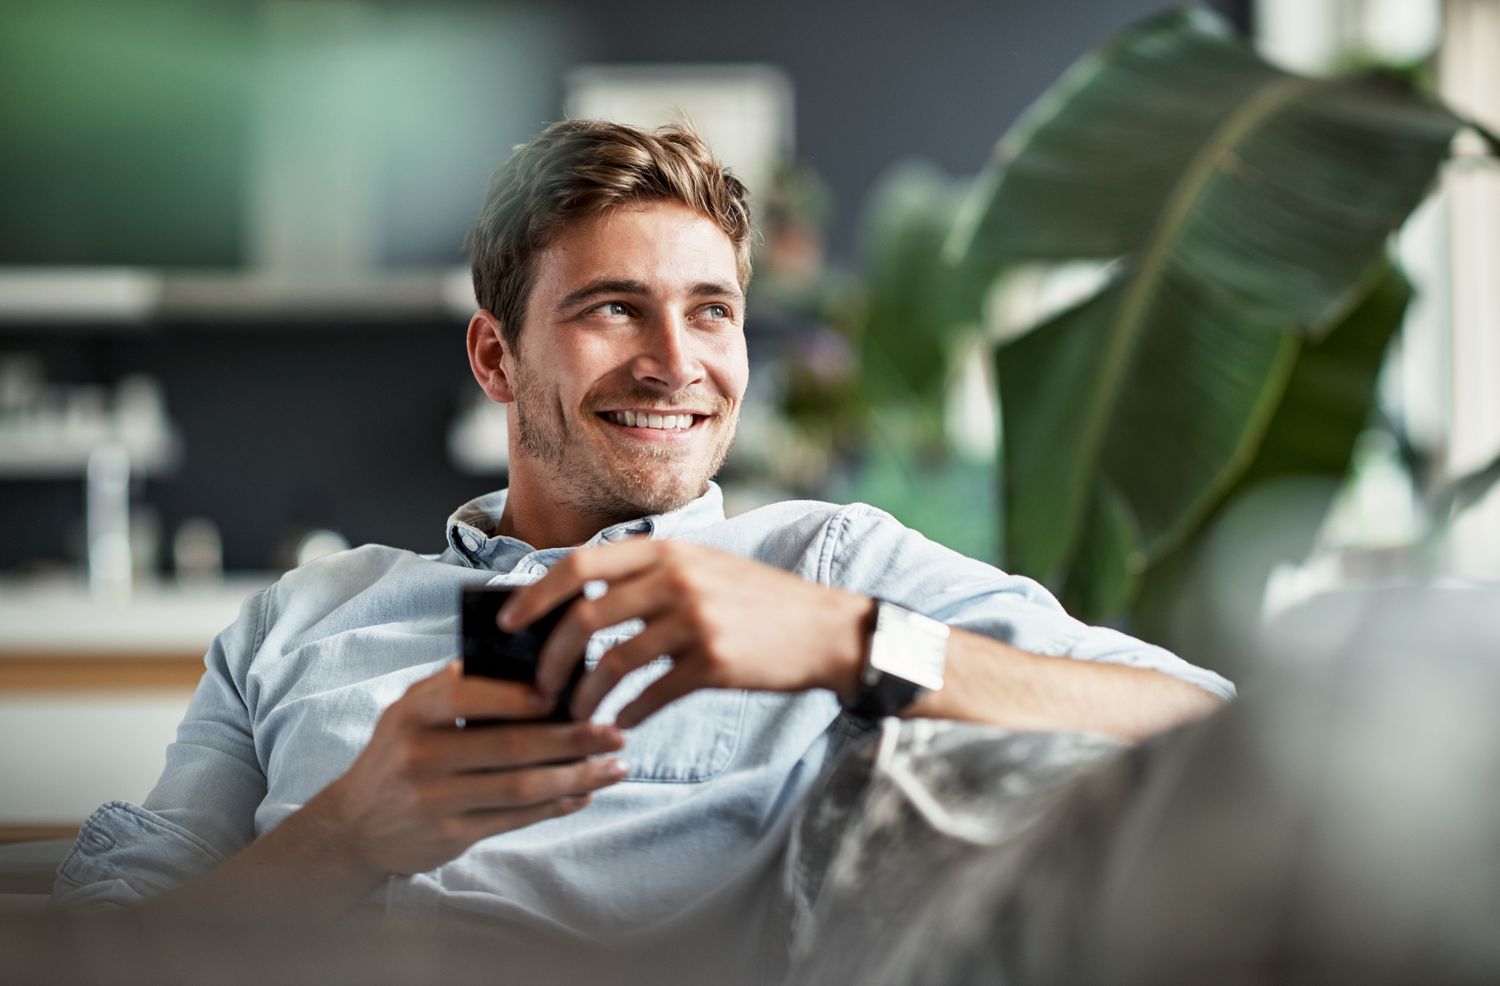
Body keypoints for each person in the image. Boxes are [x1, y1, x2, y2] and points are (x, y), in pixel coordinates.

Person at [52, 120, 1232, 975]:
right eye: (614, 306)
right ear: (495, 358)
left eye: (712, 309)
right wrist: (348, 831)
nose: (678, 360)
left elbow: (1200, 715)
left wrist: (853, 639)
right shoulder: (294, 619)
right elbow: (112, 946)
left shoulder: (823, 561)